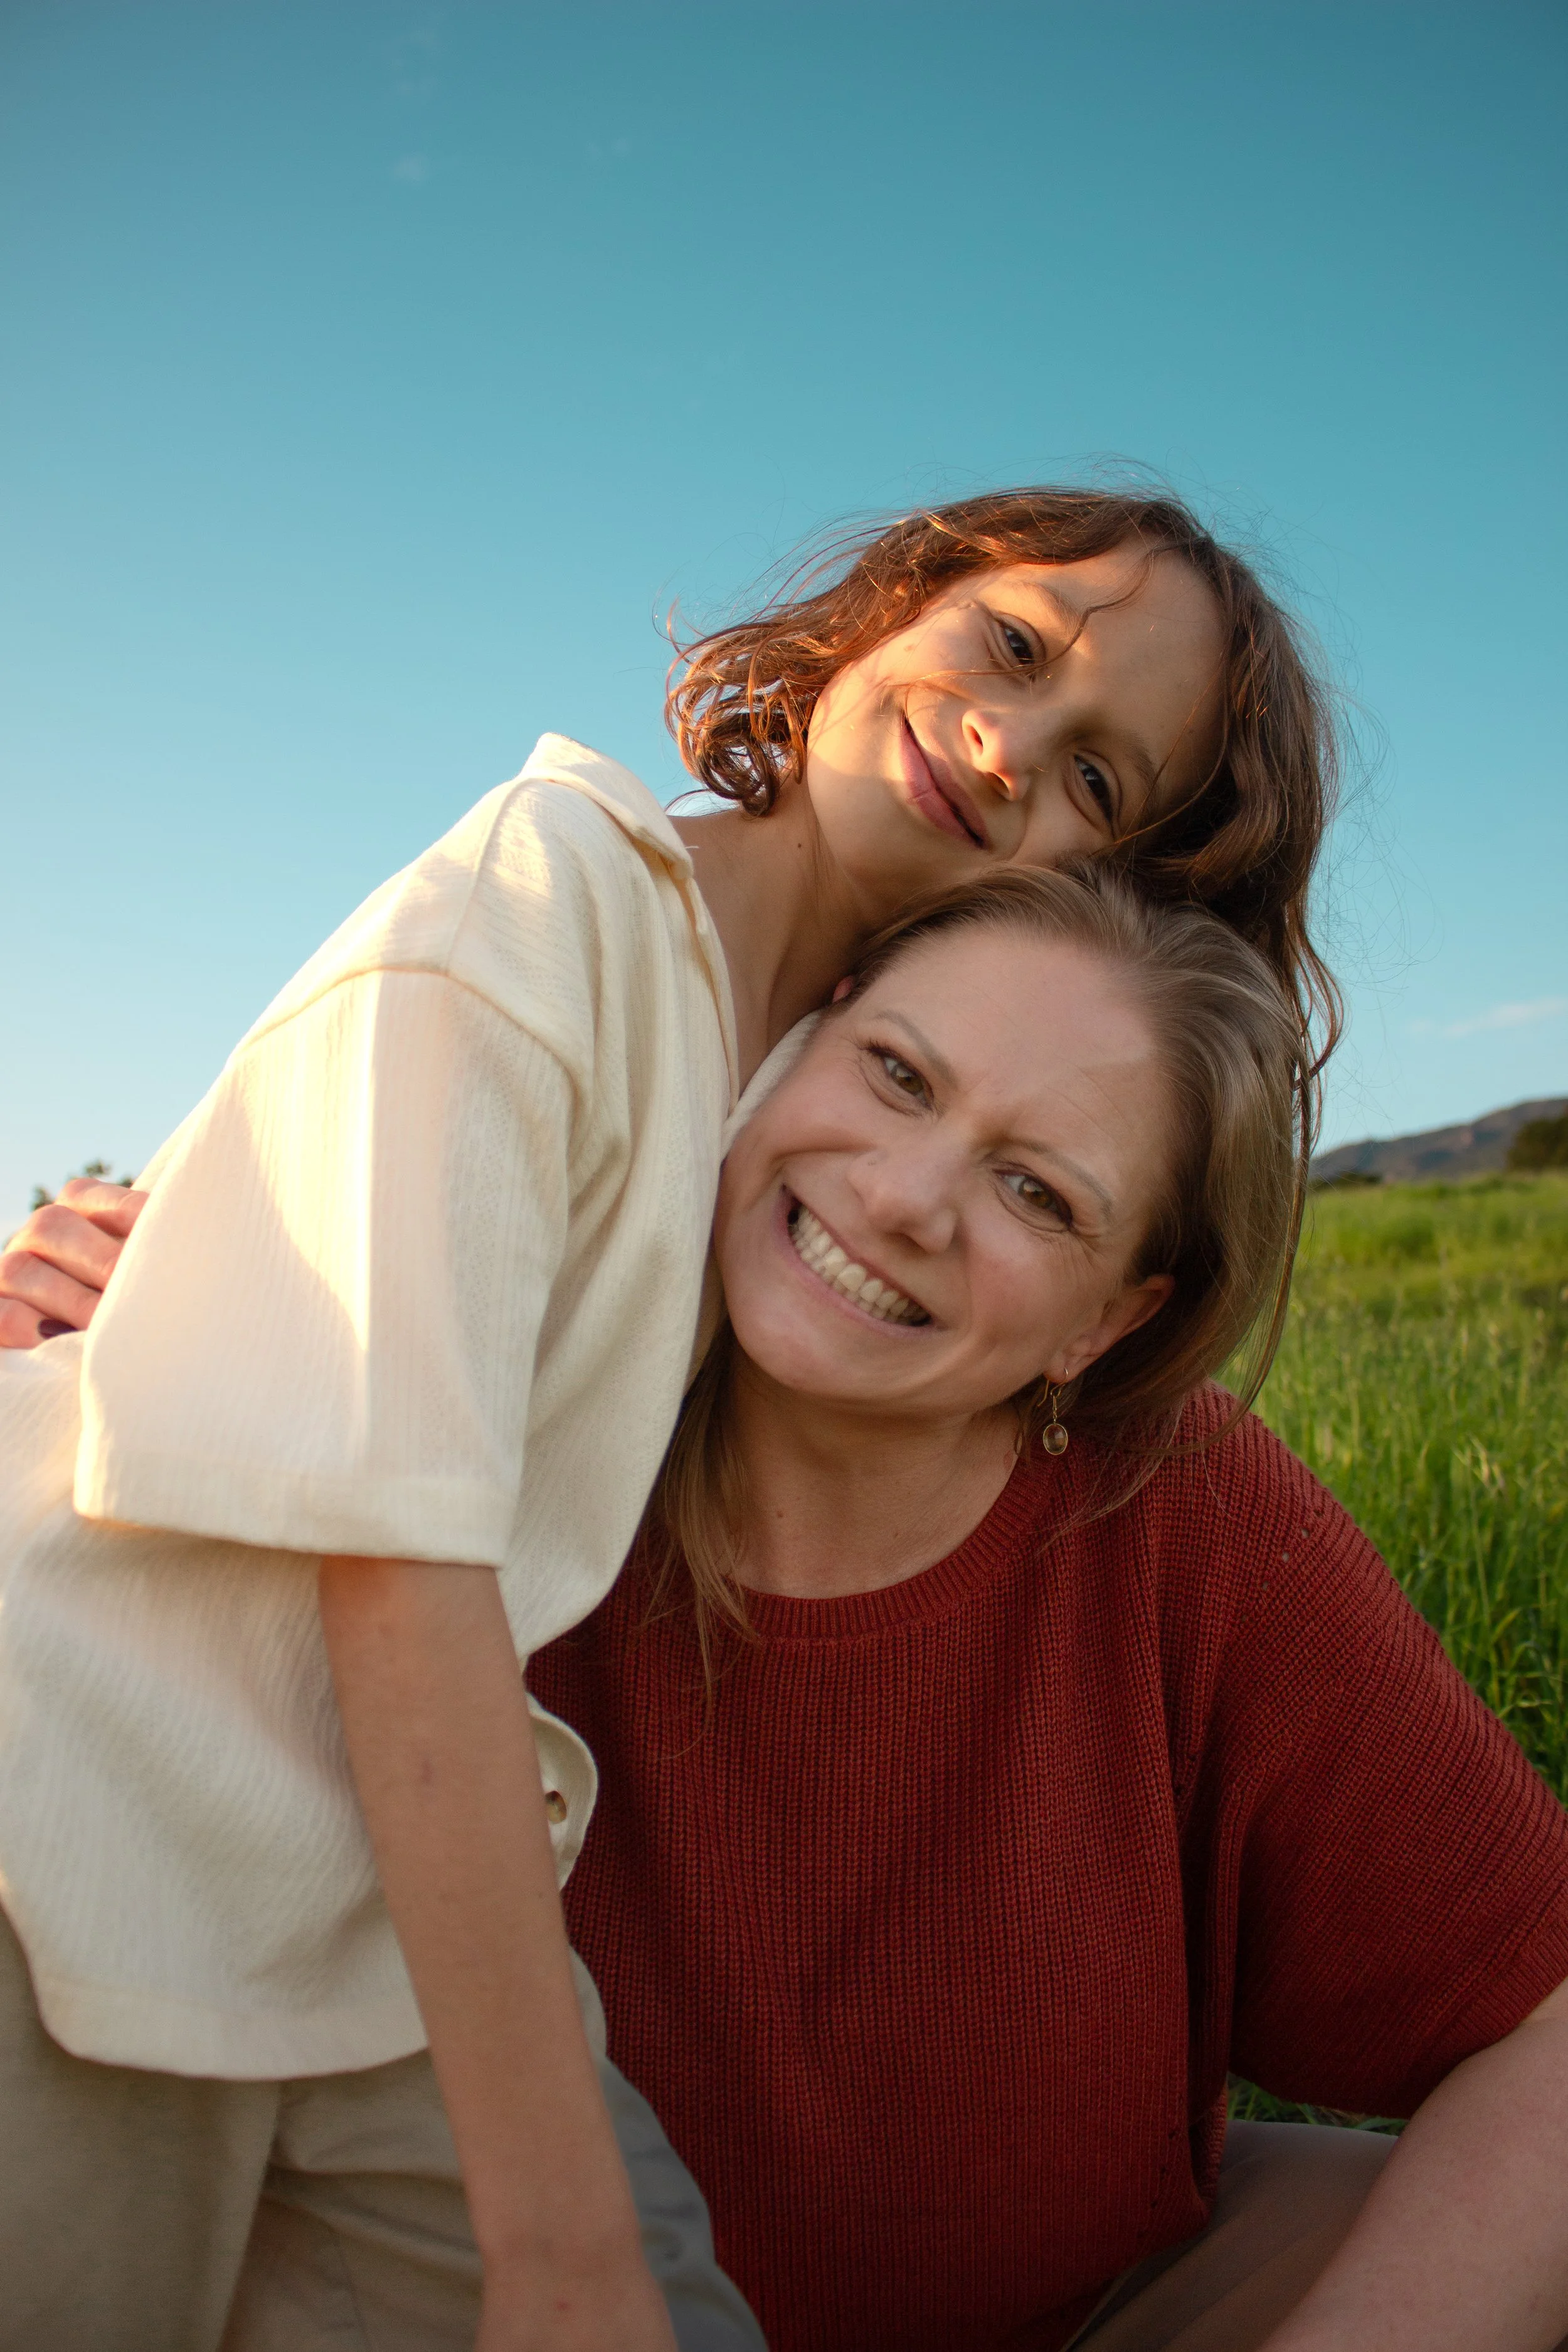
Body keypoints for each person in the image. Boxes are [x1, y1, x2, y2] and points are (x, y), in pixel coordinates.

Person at [0, 489, 1343, 2352]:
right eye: (1012, 648)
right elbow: (395, 1553)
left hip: (354, 1924)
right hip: (79, 1806)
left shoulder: (811, 1122)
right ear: (888, 606)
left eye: (1097, 782)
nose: (1005, 745)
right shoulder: (553, 884)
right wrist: (554, 2240)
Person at [527, 872, 1568, 2352]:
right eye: (894, 1073)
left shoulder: (1180, 1511)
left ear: (1107, 1320)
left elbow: (1547, 2021)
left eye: (1036, 1191)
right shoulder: (499, 1395)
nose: (898, 1196)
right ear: (791, 1045)